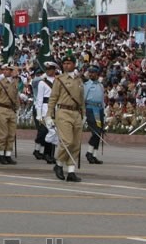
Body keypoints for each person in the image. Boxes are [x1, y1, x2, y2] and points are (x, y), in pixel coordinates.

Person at [47, 54, 86, 182]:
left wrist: (83, 114)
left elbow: (81, 100)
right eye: (64, 63)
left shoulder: (79, 80)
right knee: (67, 141)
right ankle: (58, 164)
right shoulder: (59, 80)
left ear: (74, 64)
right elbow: (53, 98)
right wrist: (49, 115)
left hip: (76, 113)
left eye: (69, 63)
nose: (66, 65)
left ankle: (71, 171)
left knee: (76, 143)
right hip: (63, 112)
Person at [0, 64, 20, 165]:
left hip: (11, 110)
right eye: (4, 70)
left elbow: (16, 97)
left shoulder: (15, 83)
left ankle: (8, 154)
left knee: (11, 134)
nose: (5, 71)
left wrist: (17, 109)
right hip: (2, 108)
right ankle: (1, 154)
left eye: (8, 70)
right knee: (3, 134)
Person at [34, 62, 58, 164]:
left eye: (50, 69)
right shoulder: (42, 82)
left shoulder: (58, 81)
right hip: (45, 108)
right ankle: (47, 154)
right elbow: (39, 99)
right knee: (50, 131)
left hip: (56, 108)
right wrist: (39, 114)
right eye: (47, 69)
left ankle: (50, 154)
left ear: (54, 70)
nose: (48, 71)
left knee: (55, 132)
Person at [84, 65, 105, 164]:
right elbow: (83, 99)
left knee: (99, 132)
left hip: (99, 110)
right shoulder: (87, 85)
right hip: (90, 109)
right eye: (90, 72)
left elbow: (102, 100)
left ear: (97, 74)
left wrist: (103, 112)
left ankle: (94, 155)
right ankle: (89, 152)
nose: (91, 74)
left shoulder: (100, 85)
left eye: (93, 72)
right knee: (96, 131)